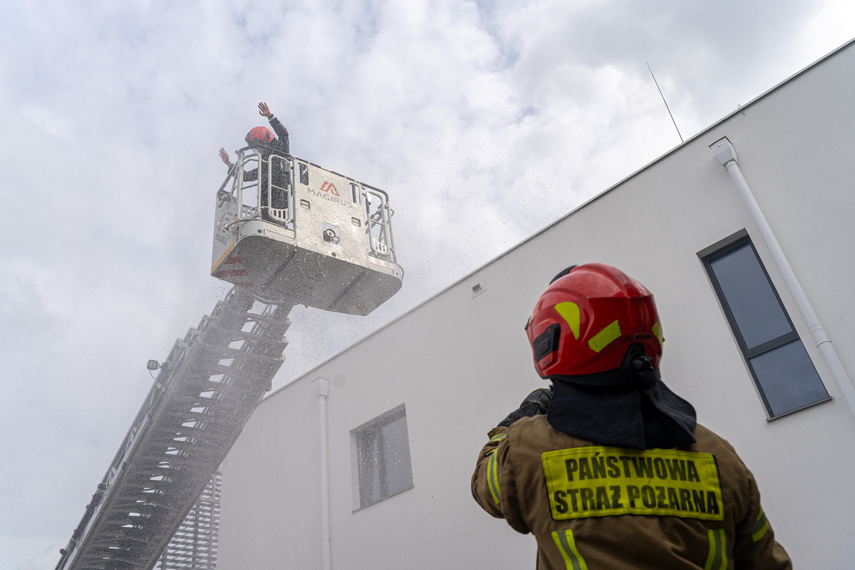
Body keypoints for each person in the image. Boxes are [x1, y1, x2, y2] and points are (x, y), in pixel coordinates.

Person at [471, 263, 792, 569]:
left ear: (551, 342)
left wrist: (514, 423)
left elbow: (486, 486)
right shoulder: (719, 456)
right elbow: (766, 563)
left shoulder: (530, 448)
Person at [219, 102, 291, 219]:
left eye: (257, 148)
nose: (256, 151)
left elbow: (284, 135)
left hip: (281, 197)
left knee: (266, 181)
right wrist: (229, 164)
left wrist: (270, 117)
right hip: (266, 205)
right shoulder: (264, 164)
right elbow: (246, 176)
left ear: (264, 143)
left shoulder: (281, 151)